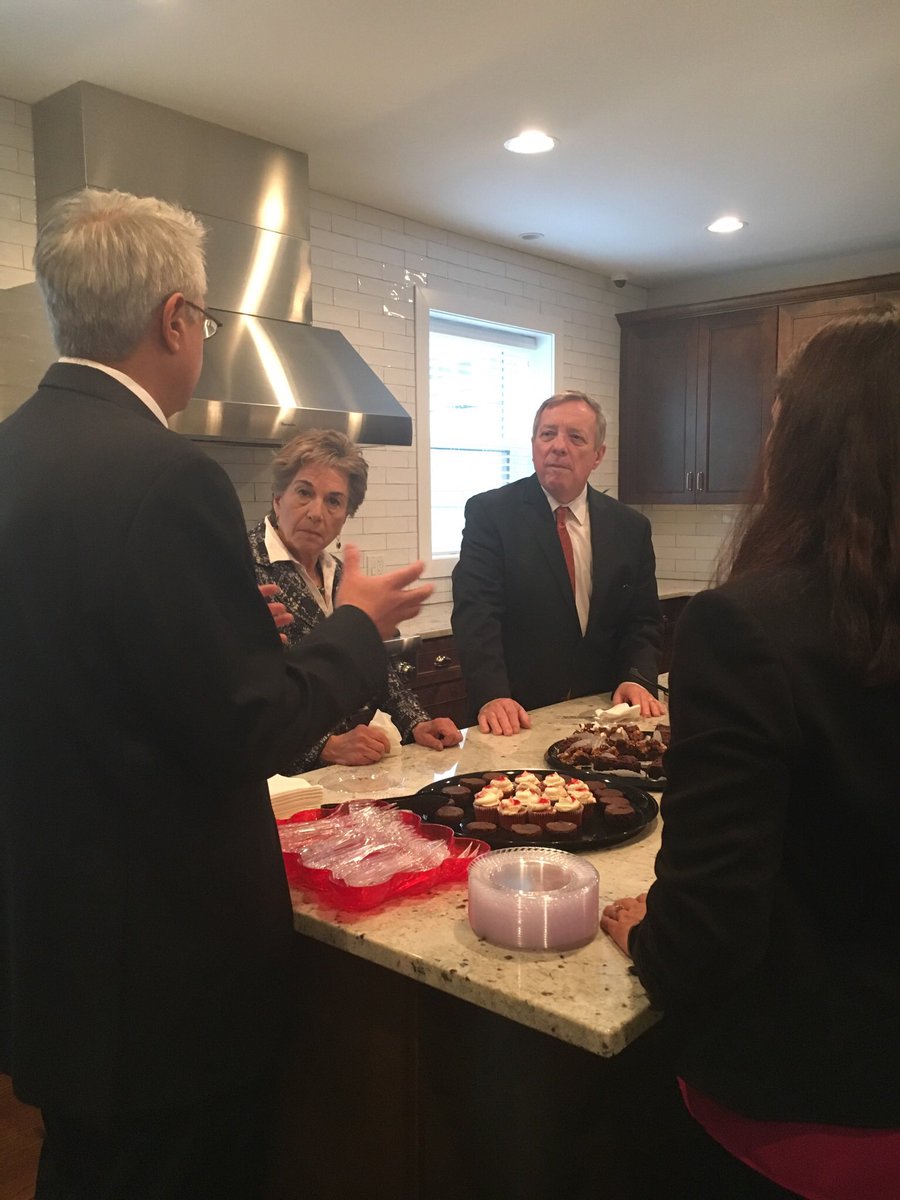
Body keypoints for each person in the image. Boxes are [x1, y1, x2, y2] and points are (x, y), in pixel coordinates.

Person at [0, 188, 432, 1199]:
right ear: (176, 319)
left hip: (49, 932)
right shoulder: (168, 477)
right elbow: (249, 725)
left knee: (85, 1168)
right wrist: (357, 627)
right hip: (162, 968)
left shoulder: (10, 450)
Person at [602, 310, 900, 1199]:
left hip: (804, 1106)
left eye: (776, 429)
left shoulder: (748, 627)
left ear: (809, 451)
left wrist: (646, 930)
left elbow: (707, 935)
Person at [451, 389, 664, 735]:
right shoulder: (491, 514)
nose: (558, 446)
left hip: (604, 713)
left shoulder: (630, 527)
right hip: (516, 715)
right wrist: (492, 695)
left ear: (598, 455)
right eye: (547, 434)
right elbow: (477, 615)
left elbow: (642, 621)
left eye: (575, 437)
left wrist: (636, 678)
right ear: (533, 444)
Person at [249, 429, 462, 769]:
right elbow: (235, 697)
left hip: (348, 777)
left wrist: (416, 722)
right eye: (304, 492)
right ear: (278, 497)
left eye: (333, 501)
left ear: (346, 514)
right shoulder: (240, 568)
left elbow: (370, 663)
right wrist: (323, 747)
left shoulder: (338, 574)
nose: (316, 512)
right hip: (278, 783)